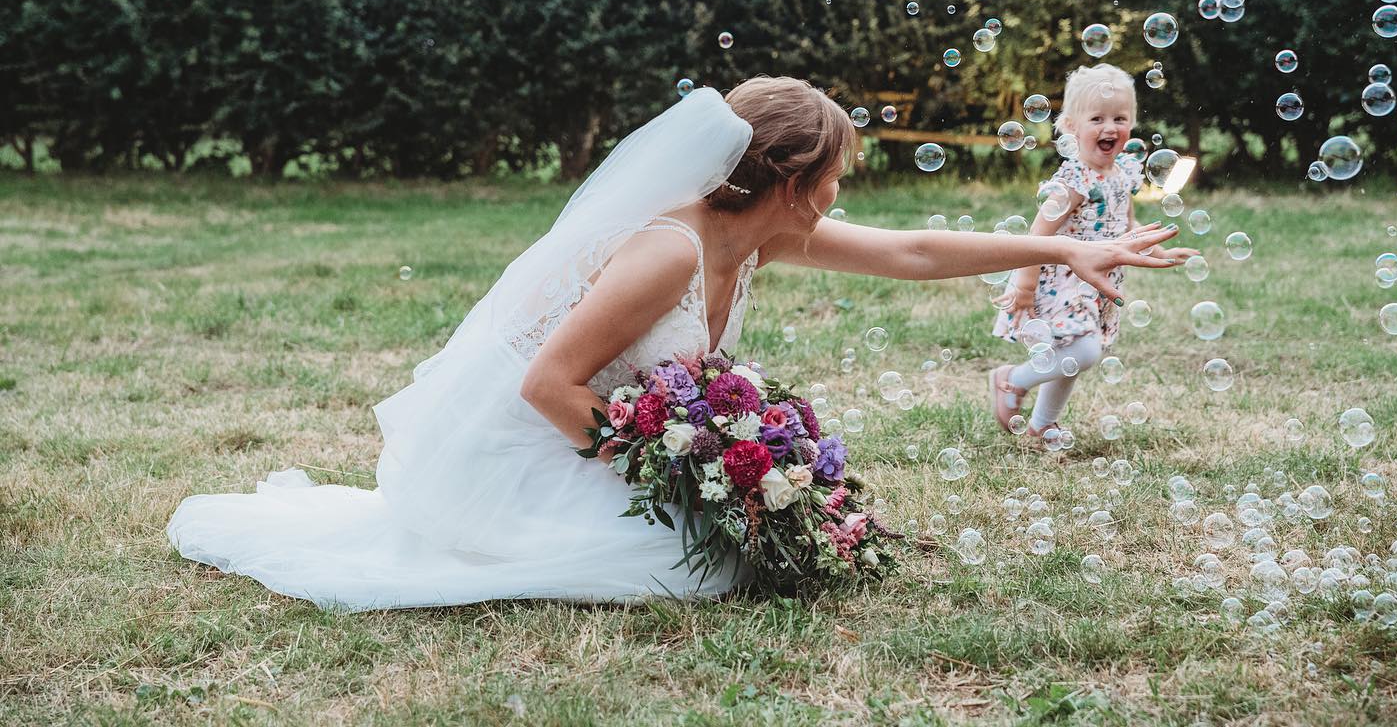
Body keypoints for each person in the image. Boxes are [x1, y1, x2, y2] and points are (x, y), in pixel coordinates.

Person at [166, 76, 1182, 611]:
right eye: (835, 176)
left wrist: (1068, 248)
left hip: (593, 430)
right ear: (792, 182)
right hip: (525, 443)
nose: (841, 195)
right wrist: (681, 472)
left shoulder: (762, 232)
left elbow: (911, 250)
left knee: (730, 555)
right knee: (696, 564)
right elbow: (546, 385)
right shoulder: (668, 252)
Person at [989, 64, 1197, 445]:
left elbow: (1127, 226)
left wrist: (1159, 250)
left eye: (1120, 118)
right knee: (1083, 351)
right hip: (1061, 281)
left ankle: (1043, 423)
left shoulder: (1125, 174)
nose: (1109, 128)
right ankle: (1012, 380)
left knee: (1071, 355)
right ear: (1072, 127)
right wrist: (1025, 285)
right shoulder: (1074, 181)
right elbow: (1037, 236)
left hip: (1096, 281)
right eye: (1097, 119)